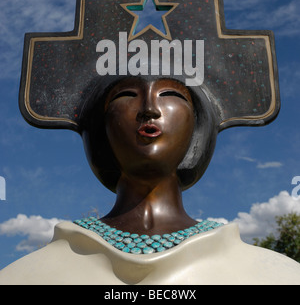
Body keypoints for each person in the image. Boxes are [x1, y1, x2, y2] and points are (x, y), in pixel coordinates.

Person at [0, 75, 300, 285]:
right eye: (126, 95)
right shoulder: (31, 275)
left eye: (170, 94)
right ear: (102, 126)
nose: (149, 109)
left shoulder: (275, 275)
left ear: (197, 122)